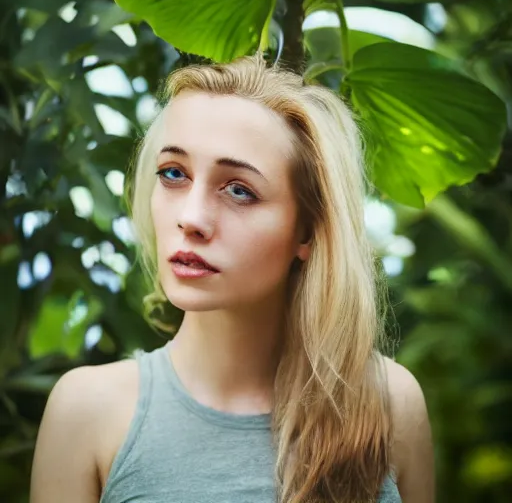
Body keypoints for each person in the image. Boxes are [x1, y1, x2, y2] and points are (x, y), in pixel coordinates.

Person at [30, 54, 434, 503]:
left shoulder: (390, 402)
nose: (191, 218)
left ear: (307, 230)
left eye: (239, 190)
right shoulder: (88, 411)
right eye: (173, 174)